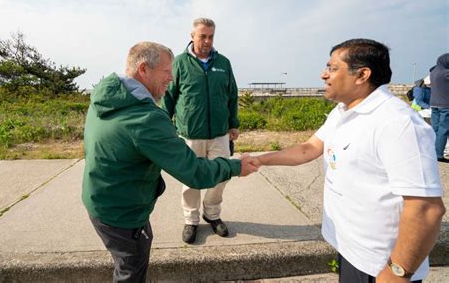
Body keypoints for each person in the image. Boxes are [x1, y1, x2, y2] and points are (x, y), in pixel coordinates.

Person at [250, 39, 445, 282]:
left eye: (332, 68)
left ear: (362, 74)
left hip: (381, 264)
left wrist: (398, 272)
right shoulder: (343, 111)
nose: (324, 75)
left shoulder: (397, 123)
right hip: (351, 250)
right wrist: (260, 160)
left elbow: (426, 209)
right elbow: (308, 149)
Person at [82, 42, 258, 282]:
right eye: (167, 71)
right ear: (144, 69)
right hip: (124, 215)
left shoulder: (108, 98)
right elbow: (195, 172)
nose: (172, 78)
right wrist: (236, 166)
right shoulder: (145, 119)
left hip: (100, 202)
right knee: (130, 272)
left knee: (125, 266)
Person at [161, 18, 240, 244]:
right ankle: (191, 220)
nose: (207, 41)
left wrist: (233, 124)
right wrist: (164, 125)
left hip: (219, 133)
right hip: (189, 133)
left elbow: (232, 95)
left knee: (222, 174)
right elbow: (168, 97)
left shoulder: (223, 63)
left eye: (211, 36)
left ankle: (212, 214)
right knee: (191, 180)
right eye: (202, 36)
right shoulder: (180, 63)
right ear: (192, 36)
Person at [429, 53, 449, 163]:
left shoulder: (434, 72)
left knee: (435, 129)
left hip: (434, 103)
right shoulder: (446, 73)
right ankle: (439, 154)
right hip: (446, 104)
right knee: (443, 130)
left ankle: (432, 152)